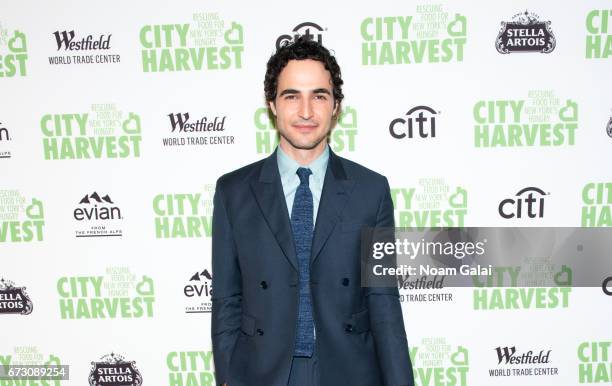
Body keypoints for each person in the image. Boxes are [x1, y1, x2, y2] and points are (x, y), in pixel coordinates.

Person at [211, 36, 414, 386]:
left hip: (349, 370)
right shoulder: (233, 191)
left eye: (319, 96)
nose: (306, 112)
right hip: (262, 371)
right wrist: (229, 375)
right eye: (292, 96)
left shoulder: (371, 191)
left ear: (335, 106)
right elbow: (227, 297)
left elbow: (383, 300)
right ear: (272, 104)